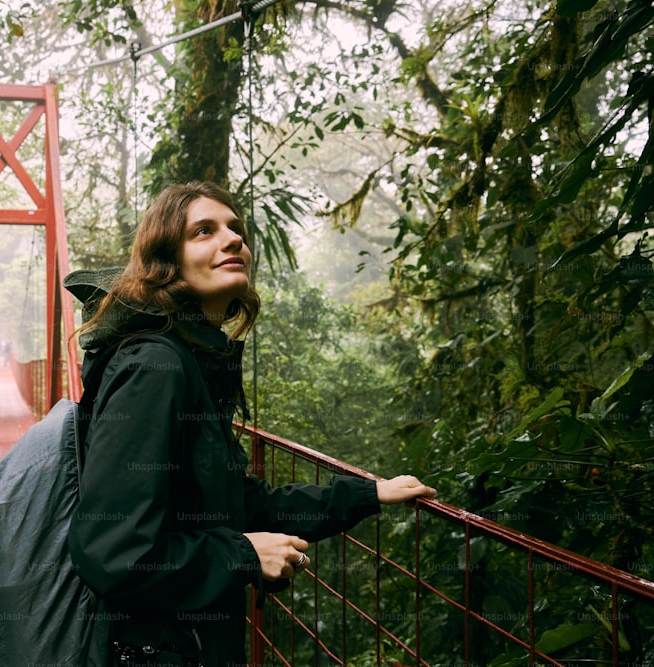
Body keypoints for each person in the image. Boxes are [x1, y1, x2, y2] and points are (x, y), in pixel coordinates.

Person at [66, 181, 436, 666]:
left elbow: (236, 504)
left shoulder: (189, 362)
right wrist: (241, 555)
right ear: (166, 262)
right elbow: (113, 550)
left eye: (235, 228)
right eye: (204, 231)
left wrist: (368, 494)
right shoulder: (156, 368)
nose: (233, 239)